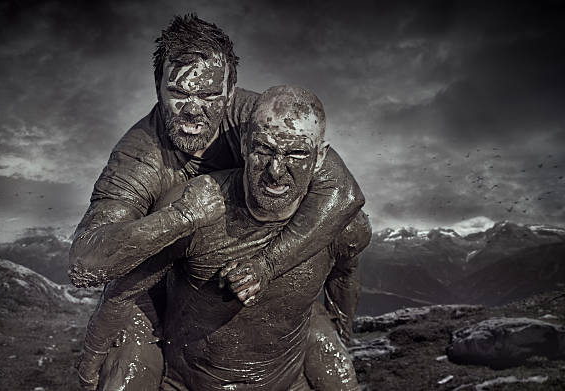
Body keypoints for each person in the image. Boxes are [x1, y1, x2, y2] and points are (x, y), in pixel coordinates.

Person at [69, 14, 365, 390]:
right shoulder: (140, 156)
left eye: (210, 95)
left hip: (255, 264)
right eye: (179, 94)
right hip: (154, 282)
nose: (194, 110)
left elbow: (344, 194)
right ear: (157, 87)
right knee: (130, 359)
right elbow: (85, 264)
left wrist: (268, 266)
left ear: (231, 91)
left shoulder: (257, 120)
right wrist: (184, 216)